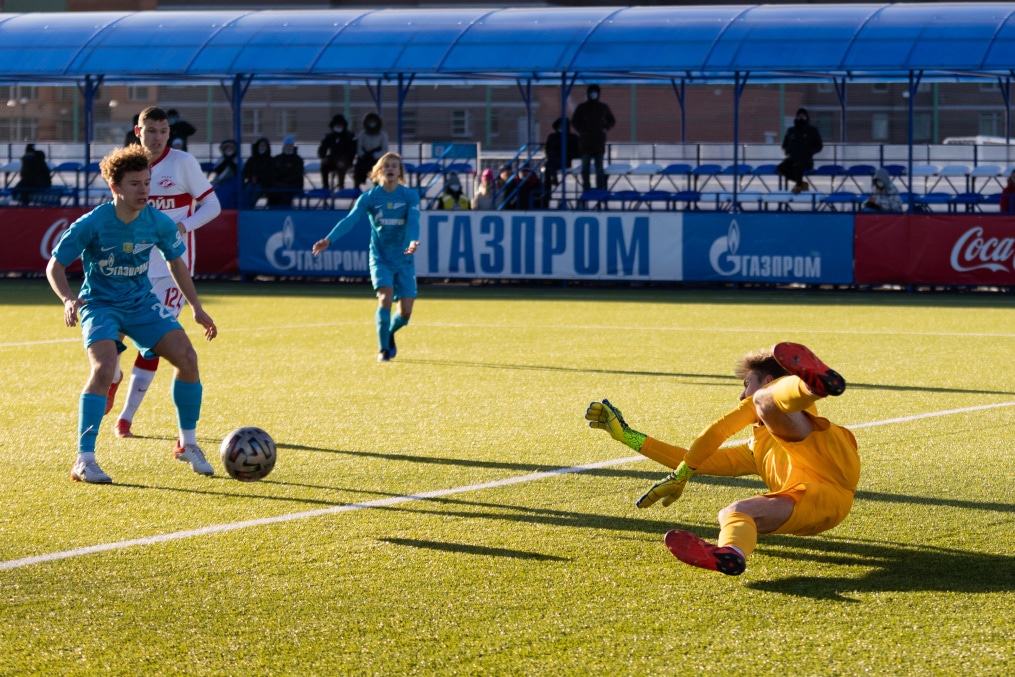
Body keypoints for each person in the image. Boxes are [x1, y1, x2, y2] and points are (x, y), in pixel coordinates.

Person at [585, 342, 858, 577]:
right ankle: (732, 553)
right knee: (732, 513)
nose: (741, 395)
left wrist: (681, 476)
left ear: (768, 380)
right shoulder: (755, 448)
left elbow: (719, 430)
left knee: (764, 401)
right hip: (814, 506)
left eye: (746, 384)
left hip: (831, 485)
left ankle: (810, 387)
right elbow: (695, 459)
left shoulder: (783, 405)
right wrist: (628, 436)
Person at [46, 144, 218, 483]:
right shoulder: (93, 223)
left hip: (141, 303)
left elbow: (176, 264)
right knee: (104, 368)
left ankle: (188, 443)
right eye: (135, 184)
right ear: (116, 187)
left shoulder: (158, 222)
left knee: (187, 357)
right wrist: (68, 298)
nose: (144, 190)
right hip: (100, 305)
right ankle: (84, 459)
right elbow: (56, 266)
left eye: (147, 182)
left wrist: (196, 307)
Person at [107, 106, 222, 440]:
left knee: (156, 345)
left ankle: (126, 418)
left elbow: (212, 205)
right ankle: (112, 376)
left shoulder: (183, 164)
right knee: (114, 334)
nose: (156, 137)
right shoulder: (128, 165)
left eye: (162, 131)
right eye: (150, 130)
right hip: (130, 264)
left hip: (171, 270)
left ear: (169, 133)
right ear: (137, 130)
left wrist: (184, 225)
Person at [311, 152, 420, 363]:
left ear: (399, 172)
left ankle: (388, 334)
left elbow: (414, 220)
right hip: (380, 257)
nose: (391, 169)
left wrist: (413, 240)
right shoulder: (369, 198)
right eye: (387, 165)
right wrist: (329, 240)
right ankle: (383, 351)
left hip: (404, 258)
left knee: (405, 313)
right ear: (379, 171)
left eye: (395, 166)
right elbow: (350, 220)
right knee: (385, 298)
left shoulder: (409, 196)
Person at [571, 84, 616, 192]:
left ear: (598, 94)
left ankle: (599, 189)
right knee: (585, 168)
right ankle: (587, 188)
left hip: (599, 143)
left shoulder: (603, 107)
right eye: (591, 92)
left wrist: (606, 128)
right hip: (586, 143)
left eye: (595, 92)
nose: (593, 94)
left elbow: (612, 120)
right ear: (588, 93)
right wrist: (582, 131)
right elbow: (574, 121)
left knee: (599, 168)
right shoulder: (582, 107)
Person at [778, 108, 823, 194]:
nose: (801, 118)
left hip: (806, 160)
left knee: (798, 166)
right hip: (793, 158)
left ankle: (798, 186)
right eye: (799, 116)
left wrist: (809, 152)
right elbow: (785, 145)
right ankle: (801, 183)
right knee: (781, 167)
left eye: (803, 116)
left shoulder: (812, 130)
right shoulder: (791, 131)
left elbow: (819, 146)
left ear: (806, 117)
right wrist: (788, 151)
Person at [542, 117, 580, 207]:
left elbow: (578, 152)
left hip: (565, 162)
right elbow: (547, 150)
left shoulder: (573, 138)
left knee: (549, 165)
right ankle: (546, 196)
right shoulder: (552, 137)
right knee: (549, 162)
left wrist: (567, 153)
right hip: (553, 162)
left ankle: (553, 177)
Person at [318, 114, 357, 190]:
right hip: (333, 159)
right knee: (324, 166)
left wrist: (345, 161)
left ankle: (341, 186)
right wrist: (323, 157)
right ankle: (325, 187)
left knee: (341, 167)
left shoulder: (348, 137)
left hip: (346, 160)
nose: (339, 127)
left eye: (340, 125)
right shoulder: (329, 137)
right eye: (337, 125)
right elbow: (322, 149)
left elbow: (352, 151)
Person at [353, 112, 389, 189]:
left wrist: (375, 155)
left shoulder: (382, 135)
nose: (372, 124)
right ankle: (356, 189)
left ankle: (378, 191)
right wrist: (363, 154)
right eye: (370, 122)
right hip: (364, 158)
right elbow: (359, 147)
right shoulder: (362, 134)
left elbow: (385, 149)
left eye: (373, 122)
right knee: (358, 171)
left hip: (376, 159)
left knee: (377, 173)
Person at [269, 136, 304, 207]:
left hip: (293, 185)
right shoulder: (277, 159)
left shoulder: (298, 160)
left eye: (290, 145)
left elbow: (297, 175)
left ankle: (285, 212)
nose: (289, 147)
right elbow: (273, 172)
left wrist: (285, 181)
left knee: (285, 192)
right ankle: (271, 213)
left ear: (293, 146)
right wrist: (278, 182)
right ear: (284, 146)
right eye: (287, 145)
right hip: (279, 184)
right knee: (272, 192)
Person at [242, 137, 274, 208]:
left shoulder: (270, 160)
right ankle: (245, 208)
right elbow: (245, 172)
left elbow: (270, 174)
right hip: (251, 182)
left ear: (267, 147)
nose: (262, 147)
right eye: (260, 145)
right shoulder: (251, 159)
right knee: (247, 188)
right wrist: (251, 177)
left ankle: (250, 208)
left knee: (257, 189)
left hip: (264, 183)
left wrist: (258, 178)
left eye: (264, 145)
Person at [210, 139, 239, 209]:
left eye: (231, 148)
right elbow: (216, 171)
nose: (229, 150)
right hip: (220, 183)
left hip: (233, 182)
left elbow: (239, 171)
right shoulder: (221, 159)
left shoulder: (237, 160)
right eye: (227, 148)